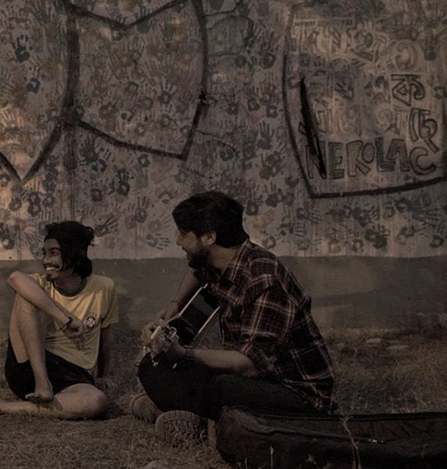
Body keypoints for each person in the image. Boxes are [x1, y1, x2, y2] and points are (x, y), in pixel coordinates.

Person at [134, 190, 335, 446]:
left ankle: (197, 422)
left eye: (184, 234)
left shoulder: (264, 280)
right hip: (251, 378)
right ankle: (198, 417)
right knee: (152, 367)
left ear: (209, 237)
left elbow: (247, 364)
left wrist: (183, 354)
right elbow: (197, 271)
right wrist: (175, 305)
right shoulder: (223, 259)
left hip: (297, 393)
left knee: (222, 387)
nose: (177, 240)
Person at [0, 221, 117, 418]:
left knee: (96, 402)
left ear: (77, 255)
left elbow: (105, 340)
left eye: (54, 253)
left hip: (74, 376)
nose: (46, 260)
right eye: (44, 253)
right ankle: (43, 383)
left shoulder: (104, 288)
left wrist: (103, 375)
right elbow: (15, 277)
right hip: (30, 368)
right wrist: (65, 320)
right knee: (27, 296)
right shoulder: (39, 284)